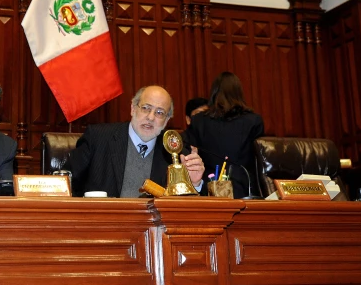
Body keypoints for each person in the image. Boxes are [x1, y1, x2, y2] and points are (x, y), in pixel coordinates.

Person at [66, 85, 205, 197]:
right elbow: (66, 183)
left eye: (159, 113)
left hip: (154, 230)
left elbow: (184, 209)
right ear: (133, 109)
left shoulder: (178, 153)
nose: (150, 117)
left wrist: (195, 183)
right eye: (146, 108)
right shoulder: (98, 138)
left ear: (167, 120)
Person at [183, 71, 264, 199]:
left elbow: (188, 151)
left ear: (213, 93)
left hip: (207, 190)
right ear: (239, 93)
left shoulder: (199, 120)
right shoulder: (254, 121)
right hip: (244, 190)